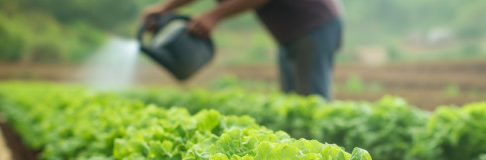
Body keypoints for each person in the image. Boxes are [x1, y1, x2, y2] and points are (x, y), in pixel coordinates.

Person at [142, 0, 343, 100]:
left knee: (311, 99)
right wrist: (165, 8)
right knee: (293, 100)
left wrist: (214, 15)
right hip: (292, 32)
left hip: (314, 23)